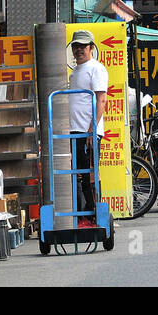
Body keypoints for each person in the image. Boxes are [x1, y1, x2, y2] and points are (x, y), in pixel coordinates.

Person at [68, 30, 108, 228]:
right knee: (79, 173)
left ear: (91, 48)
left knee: (90, 173)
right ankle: (83, 214)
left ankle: (94, 215)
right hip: (75, 130)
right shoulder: (75, 71)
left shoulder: (96, 69)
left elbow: (101, 99)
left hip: (89, 131)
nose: (78, 50)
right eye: (76, 46)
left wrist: (92, 129)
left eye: (82, 47)